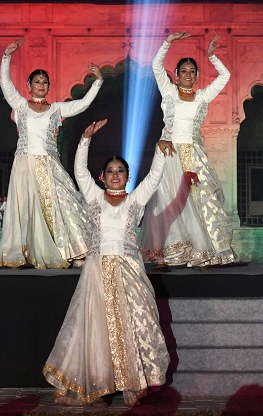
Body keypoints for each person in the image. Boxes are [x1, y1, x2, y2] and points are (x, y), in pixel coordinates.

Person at [44, 120, 172, 407]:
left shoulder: (135, 200)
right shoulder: (93, 197)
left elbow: (154, 178)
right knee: (96, 328)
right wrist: (85, 140)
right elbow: (79, 171)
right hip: (98, 272)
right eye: (111, 171)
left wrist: (160, 151)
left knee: (135, 324)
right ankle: (99, 386)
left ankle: (135, 381)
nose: (116, 175)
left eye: (121, 171)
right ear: (102, 177)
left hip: (129, 271)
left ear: (128, 177)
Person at [0, 39, 103, 269]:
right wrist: (6, 57)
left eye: (45, 82)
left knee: (62, 203)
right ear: (29, 85)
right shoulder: (21, 106)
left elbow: (82, 105)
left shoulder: (56, 109)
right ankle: (28, 252)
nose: (41, 85)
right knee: (27, 208)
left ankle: (70, 252)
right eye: (37, 81)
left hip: (49, 164)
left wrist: (97, 83)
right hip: (25, 164)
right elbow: (5, 84)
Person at [140, 32, 237, 268]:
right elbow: (155, 66)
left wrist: (212, 56)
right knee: (168, 200)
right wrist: (168, 42)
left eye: (192, 71)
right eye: (183, 71)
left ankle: (201, 250)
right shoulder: (169, 93)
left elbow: (226, 76)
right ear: (176, 75)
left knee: (201, 201)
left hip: (194, 154)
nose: (187, 75)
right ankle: (172, 250)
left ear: (197, 75)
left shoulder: (203, 96)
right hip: (170, 153)